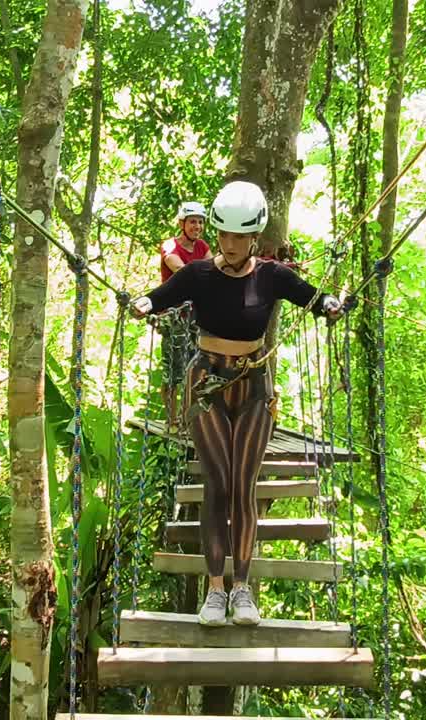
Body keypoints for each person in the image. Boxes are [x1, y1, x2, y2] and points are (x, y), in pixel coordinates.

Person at [131, 181, 343, 627]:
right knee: (218, 483)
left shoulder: (272, 276)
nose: (229, 245)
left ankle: (242, 591)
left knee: (243, 485)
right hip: (207, 382)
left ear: (254, 237)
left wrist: (329, 304)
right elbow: (160, 296)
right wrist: (143, 303)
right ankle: (214, 591)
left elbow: (310, 296)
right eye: (223, 235)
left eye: (239, 237)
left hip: (254, 386)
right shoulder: (198, 275)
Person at [157, 201, 210, 431]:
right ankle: (172, 419)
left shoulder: (202, 247)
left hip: (195, 316)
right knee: (173, 369)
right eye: (192, 222)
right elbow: (180, 269)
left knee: (195, 366)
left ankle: (188, 416)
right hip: (174, 315)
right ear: (182, 224)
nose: (196, 226)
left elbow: (214, 269)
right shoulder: (171, 246)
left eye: (200, 222)